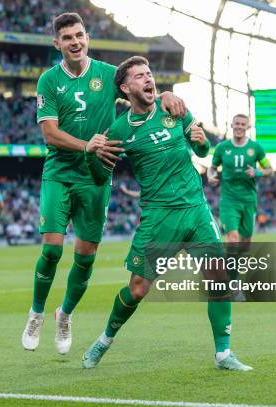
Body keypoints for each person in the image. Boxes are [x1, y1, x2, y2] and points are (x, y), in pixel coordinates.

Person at [22, 12, 187, 355]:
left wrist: (168, 93)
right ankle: (36, 312)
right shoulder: (49, 81)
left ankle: (64, 314)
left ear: (87, 37)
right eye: (67, 38)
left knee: (85, 257)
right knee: (52, 249)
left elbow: (141, 91)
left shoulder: (109, 76)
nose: (75, 42)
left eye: (79, 35)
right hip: (60, 172)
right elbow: (49, 133)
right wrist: (87, 145)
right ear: (57, 44)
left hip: (97, 175)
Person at [81, 56, 252, 371]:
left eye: (149, 73)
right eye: (139, 76)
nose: (148, 79)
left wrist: (201, 143)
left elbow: (202, 150)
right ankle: (104, 340)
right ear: (124, 87)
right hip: (159, 217)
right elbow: (99, 175)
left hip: (196, 210)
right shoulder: (120, 129)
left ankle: (224, 355)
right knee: (138, 289)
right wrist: (93, 154)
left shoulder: (174, 108)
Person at [207, 114, 272, 301]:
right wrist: (211, 176)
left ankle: (232, 272)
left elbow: (270, 170)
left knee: (244, 244)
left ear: (248, 127)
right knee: (233, 239)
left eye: (243, 124)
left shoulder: (255, 148)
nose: (239, 127)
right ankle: (233, 285)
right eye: (237, 123)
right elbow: (212, 167)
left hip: (248, 200)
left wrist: (257, 171)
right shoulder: (222, 148)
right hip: (229, 200)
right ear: (232, 125)